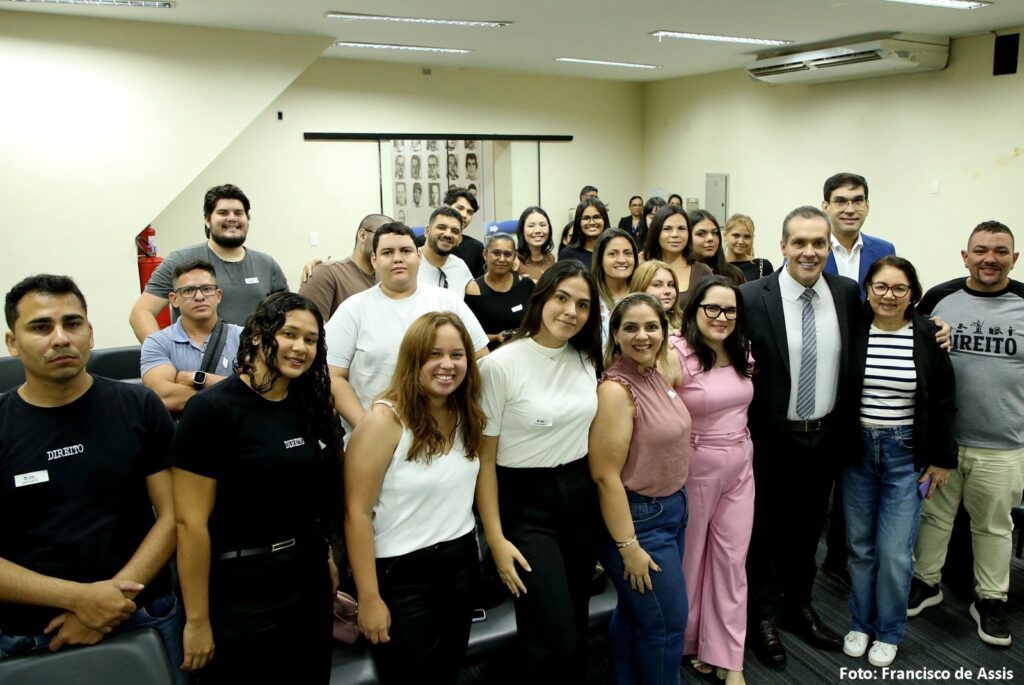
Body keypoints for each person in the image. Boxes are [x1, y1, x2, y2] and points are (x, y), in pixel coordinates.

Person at [0, 275, 181, 681]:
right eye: (41, 327)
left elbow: (174, 514)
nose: (60, 338)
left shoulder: (138, 405)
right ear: (13, 342)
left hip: (143, 612)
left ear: (91, 332)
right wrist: (82, 600)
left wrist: (113, 598)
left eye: (72, 323)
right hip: (35, 634)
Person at [172, 292, 342, 683]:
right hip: (241, 590)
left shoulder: (310, 404)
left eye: (311, 339)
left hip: (307, 577)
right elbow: (190, 525)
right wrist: (197, 620)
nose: (300, 347)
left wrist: (327, 558)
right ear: (256, 335)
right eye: (288, 334)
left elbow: (311, 499)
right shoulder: (212, 410)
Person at [740, 206, 861, 667]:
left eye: (818, 243)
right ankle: (762, 617)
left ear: (829, 247)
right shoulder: (752, 297)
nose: (809, 252)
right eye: (799, 242)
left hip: (824, 436)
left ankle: (798, 606)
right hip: (770, 439)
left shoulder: (846, 293)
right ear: (783, 246)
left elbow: (892, 322)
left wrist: (934, 330)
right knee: (765, 533)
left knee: (809, 531)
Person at [476, 261, 603, 681]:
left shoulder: (586, 359)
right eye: (562, 298)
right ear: (542, 298)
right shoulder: (500, 366)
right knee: (553, 633)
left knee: (576, 623)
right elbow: (485, 461)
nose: (571, 311)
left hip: (580, 497)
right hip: (525, 506)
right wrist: (495, 539)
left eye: (582, 304)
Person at [345, 312, 484, 684]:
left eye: (457, 355)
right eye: (434, 354)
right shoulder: (384, 421)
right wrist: (369, 597)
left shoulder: (466, 411)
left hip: (460, 562)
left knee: (449, 671)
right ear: (413, 359)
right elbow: (356, 513)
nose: (447, 364)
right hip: (402, 576)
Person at [908, 221, 1023, 647]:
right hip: (943, 443)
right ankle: (925, 582)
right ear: (965, 256)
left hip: (1003, 444)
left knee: (994, 526)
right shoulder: (939, 298)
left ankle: (991, 599)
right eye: (980, 251)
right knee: (932, 516)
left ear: (1014, 258)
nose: (990, 259)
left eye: (1000, 251)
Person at [842, 256, 957, 668]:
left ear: (913, 293)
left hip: (905, 454)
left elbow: (944, 400)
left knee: (894, 551)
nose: (888, 296)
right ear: (867, 289)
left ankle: (889, 630)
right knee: (860, 547)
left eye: (899, 288)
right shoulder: (854, 329)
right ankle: (860, 622)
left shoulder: (927, 334)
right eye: (880, 286)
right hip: (857, 451)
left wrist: (942, 460)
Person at [589, 293, 691, 685]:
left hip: (672, 509)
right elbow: (604, 476)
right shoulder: (616, 390)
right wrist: (628, 547)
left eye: (651, 327)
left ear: (664, 331)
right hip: (641, 522)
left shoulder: (654, 372)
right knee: (666, 626)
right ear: (615, 334)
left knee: (636, 616)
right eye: (630, 328)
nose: (642, 335)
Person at [326, 223, 488, 438]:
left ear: (418, 256)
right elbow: (333, 375)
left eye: (405, 251)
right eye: (387, 252)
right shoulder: (353, 309)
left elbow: (481, 359)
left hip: (444, 432)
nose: (397, 259)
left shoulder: (448, 301)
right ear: (374, 260)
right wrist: (368, 428)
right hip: (375, 436)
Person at [674, 276, 755, 685]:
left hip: (740, 464)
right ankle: (690, 642)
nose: (722, 317)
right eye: (712, 308)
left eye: (730, 310)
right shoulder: (675, 352)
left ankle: (728, 654)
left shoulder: (741, 349)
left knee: (731, 560)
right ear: (695, 310)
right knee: (690, 559)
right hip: (695, 466)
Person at [129, 184, 288, 342]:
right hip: (201, 358)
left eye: (239, 213)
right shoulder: (180, 260)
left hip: (254, 356)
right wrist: (161, 353)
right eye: (223, 213)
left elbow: (289, 317)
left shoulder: (267, 265)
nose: (232, 218)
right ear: (207, 220)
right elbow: (141, 313)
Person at [141, 260, 243, 414]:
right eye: (188, 291)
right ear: (174, 299)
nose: (199, 297)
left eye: (207, 289)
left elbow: (260, 389)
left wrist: (201, 379)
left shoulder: (244, 337)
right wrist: (234, 391)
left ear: (218, 295)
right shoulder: (157, 342)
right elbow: (164, 396)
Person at [298, 213, 390, 321]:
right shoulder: (326, 274)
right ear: (362, 236)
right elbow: (306, 326)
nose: (389, 244)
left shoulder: (386, 279)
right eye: (384, 236)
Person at [821, 173, 895, 293]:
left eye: (858, 202)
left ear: (867, 206)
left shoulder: (884, 250)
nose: (850, 210)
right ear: (826, 207)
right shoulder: (808, 250)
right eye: (841, 202)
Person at [465, 233, 535, 349]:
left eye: (507, 254)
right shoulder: (474, 289)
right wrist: (496, 338)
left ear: (514, 256)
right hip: (489, 354)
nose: (502, 259)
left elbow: (536, 324)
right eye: (496, 253)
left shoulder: (526, 285)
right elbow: (468, 334)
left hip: (524, 350)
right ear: (485, 254)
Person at [643, 206, 712, 310]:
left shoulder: (703, 271)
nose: (675, 234)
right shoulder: (643, 268)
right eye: (667, 229)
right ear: (656, 232)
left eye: (681, 228)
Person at [592, 228, 639, 344]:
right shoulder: (589, 298)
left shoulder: (644, 295)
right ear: (600, 259)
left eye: (627, 253)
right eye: (613, 254)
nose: (622, 260)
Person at [418, 207, 474, 295]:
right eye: (441, 227)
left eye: (455, 231)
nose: (448, 234)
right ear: (427, 231)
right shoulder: (409, 263)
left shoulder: (460, 266)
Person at [689, 210, 746, 285]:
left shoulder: (734, 275)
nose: (710, 238)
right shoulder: (678, 273)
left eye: (714, 233)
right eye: (701, 234)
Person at [446, 187, 487, 278]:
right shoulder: (422, 242)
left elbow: (479, 282)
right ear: (447, 207)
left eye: (469, 212)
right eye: (460, 208)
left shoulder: (476, 248)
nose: (464, 215)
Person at [631, 260, 682, 332]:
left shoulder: (685, 321)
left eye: (670, 285)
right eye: (657, 285)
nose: (667, 291)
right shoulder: (627, 323)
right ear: (640, 288)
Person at [559, 198, 611, 269]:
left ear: (604, 220)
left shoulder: (614, 250)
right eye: (586, 218)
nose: (592, 222)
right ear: (578, 222)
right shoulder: (567, 254)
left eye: (597, 217)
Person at [724, 214, 774, 283]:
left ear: (752, 238)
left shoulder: (763, 266)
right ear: (725, 236)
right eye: (736, 235)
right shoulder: (716, 266)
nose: (741, 241)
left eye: (747, 237)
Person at [515, 206, 556, 283]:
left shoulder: (551, 257)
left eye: (543, 225)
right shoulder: (514, 259)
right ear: (522, 231)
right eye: (531, 226)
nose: (538, 230)